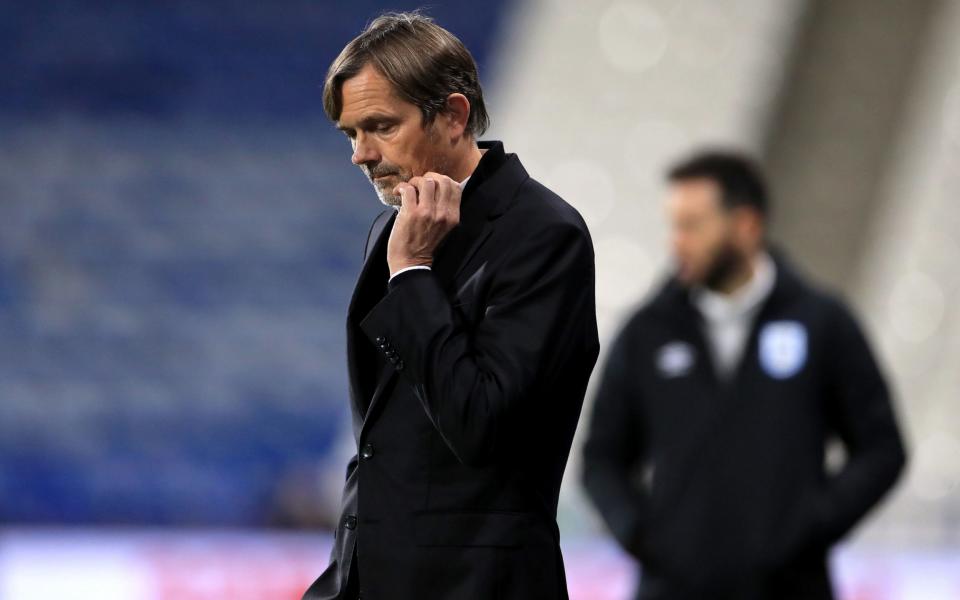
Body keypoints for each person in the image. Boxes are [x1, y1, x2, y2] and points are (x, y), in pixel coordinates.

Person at [302, 12, 600, 600]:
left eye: (381, 126)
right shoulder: (389, 232)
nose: (361, 154)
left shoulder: (544, 236)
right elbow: (379, 444)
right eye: (350, 134)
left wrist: (413, 274)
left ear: (454, 115)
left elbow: (479, 426)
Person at [581, 150, 906, 600]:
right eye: (674, 224)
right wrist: (642, 535)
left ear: (746, 225)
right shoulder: (647, 331)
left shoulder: (822, 323)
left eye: (692, 225)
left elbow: (882, 448)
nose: (677, 242)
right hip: (672, 591)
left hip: (791, 590)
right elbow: (601, 457)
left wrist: (810, 527)